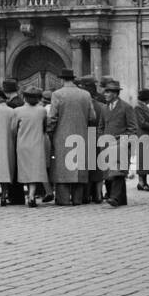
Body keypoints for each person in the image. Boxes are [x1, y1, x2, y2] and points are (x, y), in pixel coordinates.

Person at [46, 67, 95, 206]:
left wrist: (50, 131)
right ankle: (78, 199)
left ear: (62, 79)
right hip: (81, 136)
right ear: (73, 79)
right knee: (79, 168)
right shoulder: (85, 94)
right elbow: (92, 117)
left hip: (61, 136)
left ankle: (63, 199)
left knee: (62, 168)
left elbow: (52, 117)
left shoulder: (57, 94)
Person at [99, 80, 138, 208]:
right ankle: (118, 198)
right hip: (106, 145)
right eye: (105, 92)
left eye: (108, 92)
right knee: (109, 173)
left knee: (118, 172)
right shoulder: (104, 108)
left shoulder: (126, 107)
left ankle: (114, 198)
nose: (105, 94)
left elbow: (133, 128)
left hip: (120, 144)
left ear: (115, 94)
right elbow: (101, 126)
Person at [13, 88, 49, 207]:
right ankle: (31, 196)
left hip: (22, 144)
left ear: (25, 98)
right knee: (34, 170)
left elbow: (13, 129)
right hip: (37, 143)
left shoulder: (18, 111)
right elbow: (45, 127)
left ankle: (30, 195)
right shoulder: (42, 111)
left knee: (26, 170)